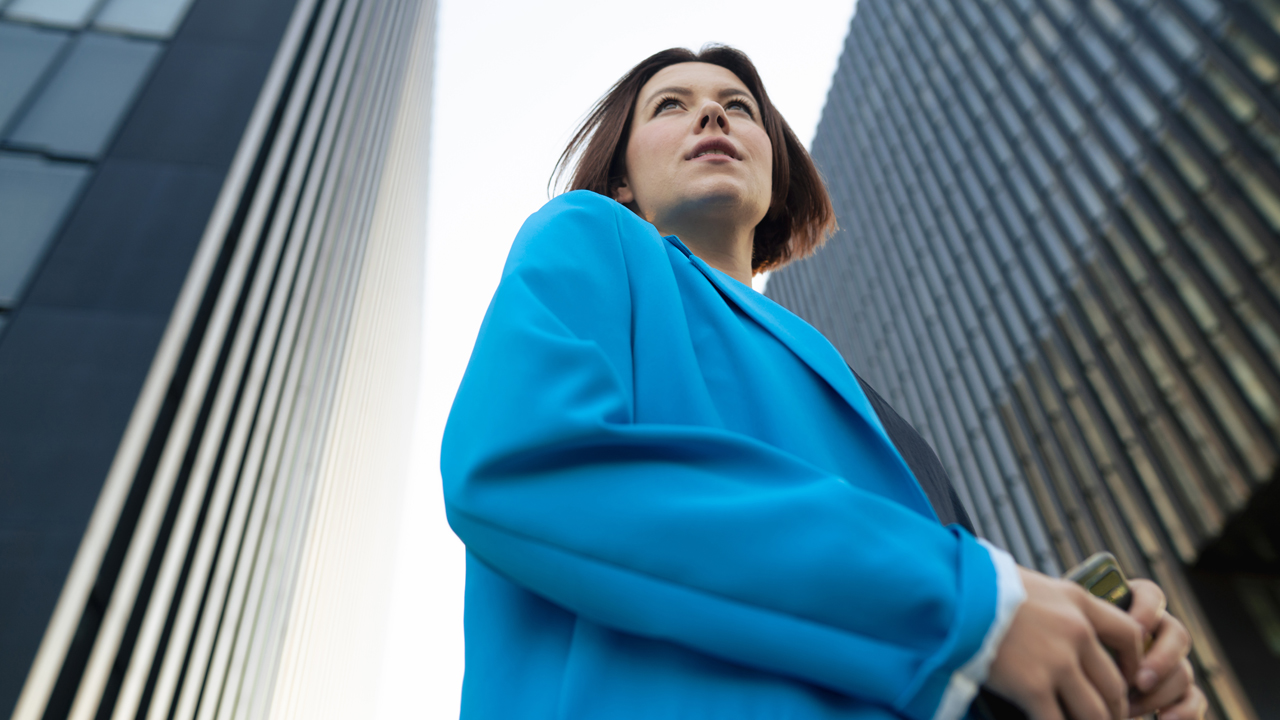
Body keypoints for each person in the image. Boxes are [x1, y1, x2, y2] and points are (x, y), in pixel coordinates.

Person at [440, 45, 1205, 720]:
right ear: (623, 182)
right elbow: (526, 463)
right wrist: (974, 607)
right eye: (672, 106)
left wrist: (1100, 666)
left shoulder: (867, 407)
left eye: (738, 108)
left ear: (772, 168)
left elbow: (962, 660)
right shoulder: (588, 235)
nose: (713, 114)